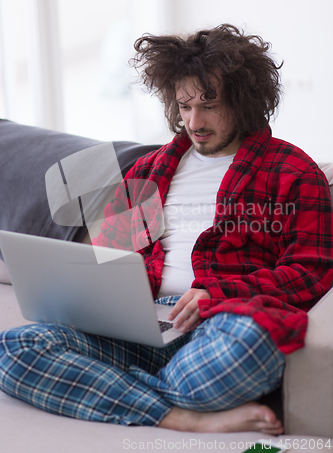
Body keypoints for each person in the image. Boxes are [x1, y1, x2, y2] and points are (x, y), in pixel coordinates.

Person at [0, 24, 333, 434]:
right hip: (140, 328)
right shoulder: (148, 170)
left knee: (248, 346)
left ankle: (119, 394)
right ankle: (180, 415)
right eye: (185, 106)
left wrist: (219, 292)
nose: (194, 121)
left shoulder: (293, 172)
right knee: (19, 348)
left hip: (224, 326)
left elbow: (311, 273)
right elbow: (109, 259)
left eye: (209, 105)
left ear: (244, 102)